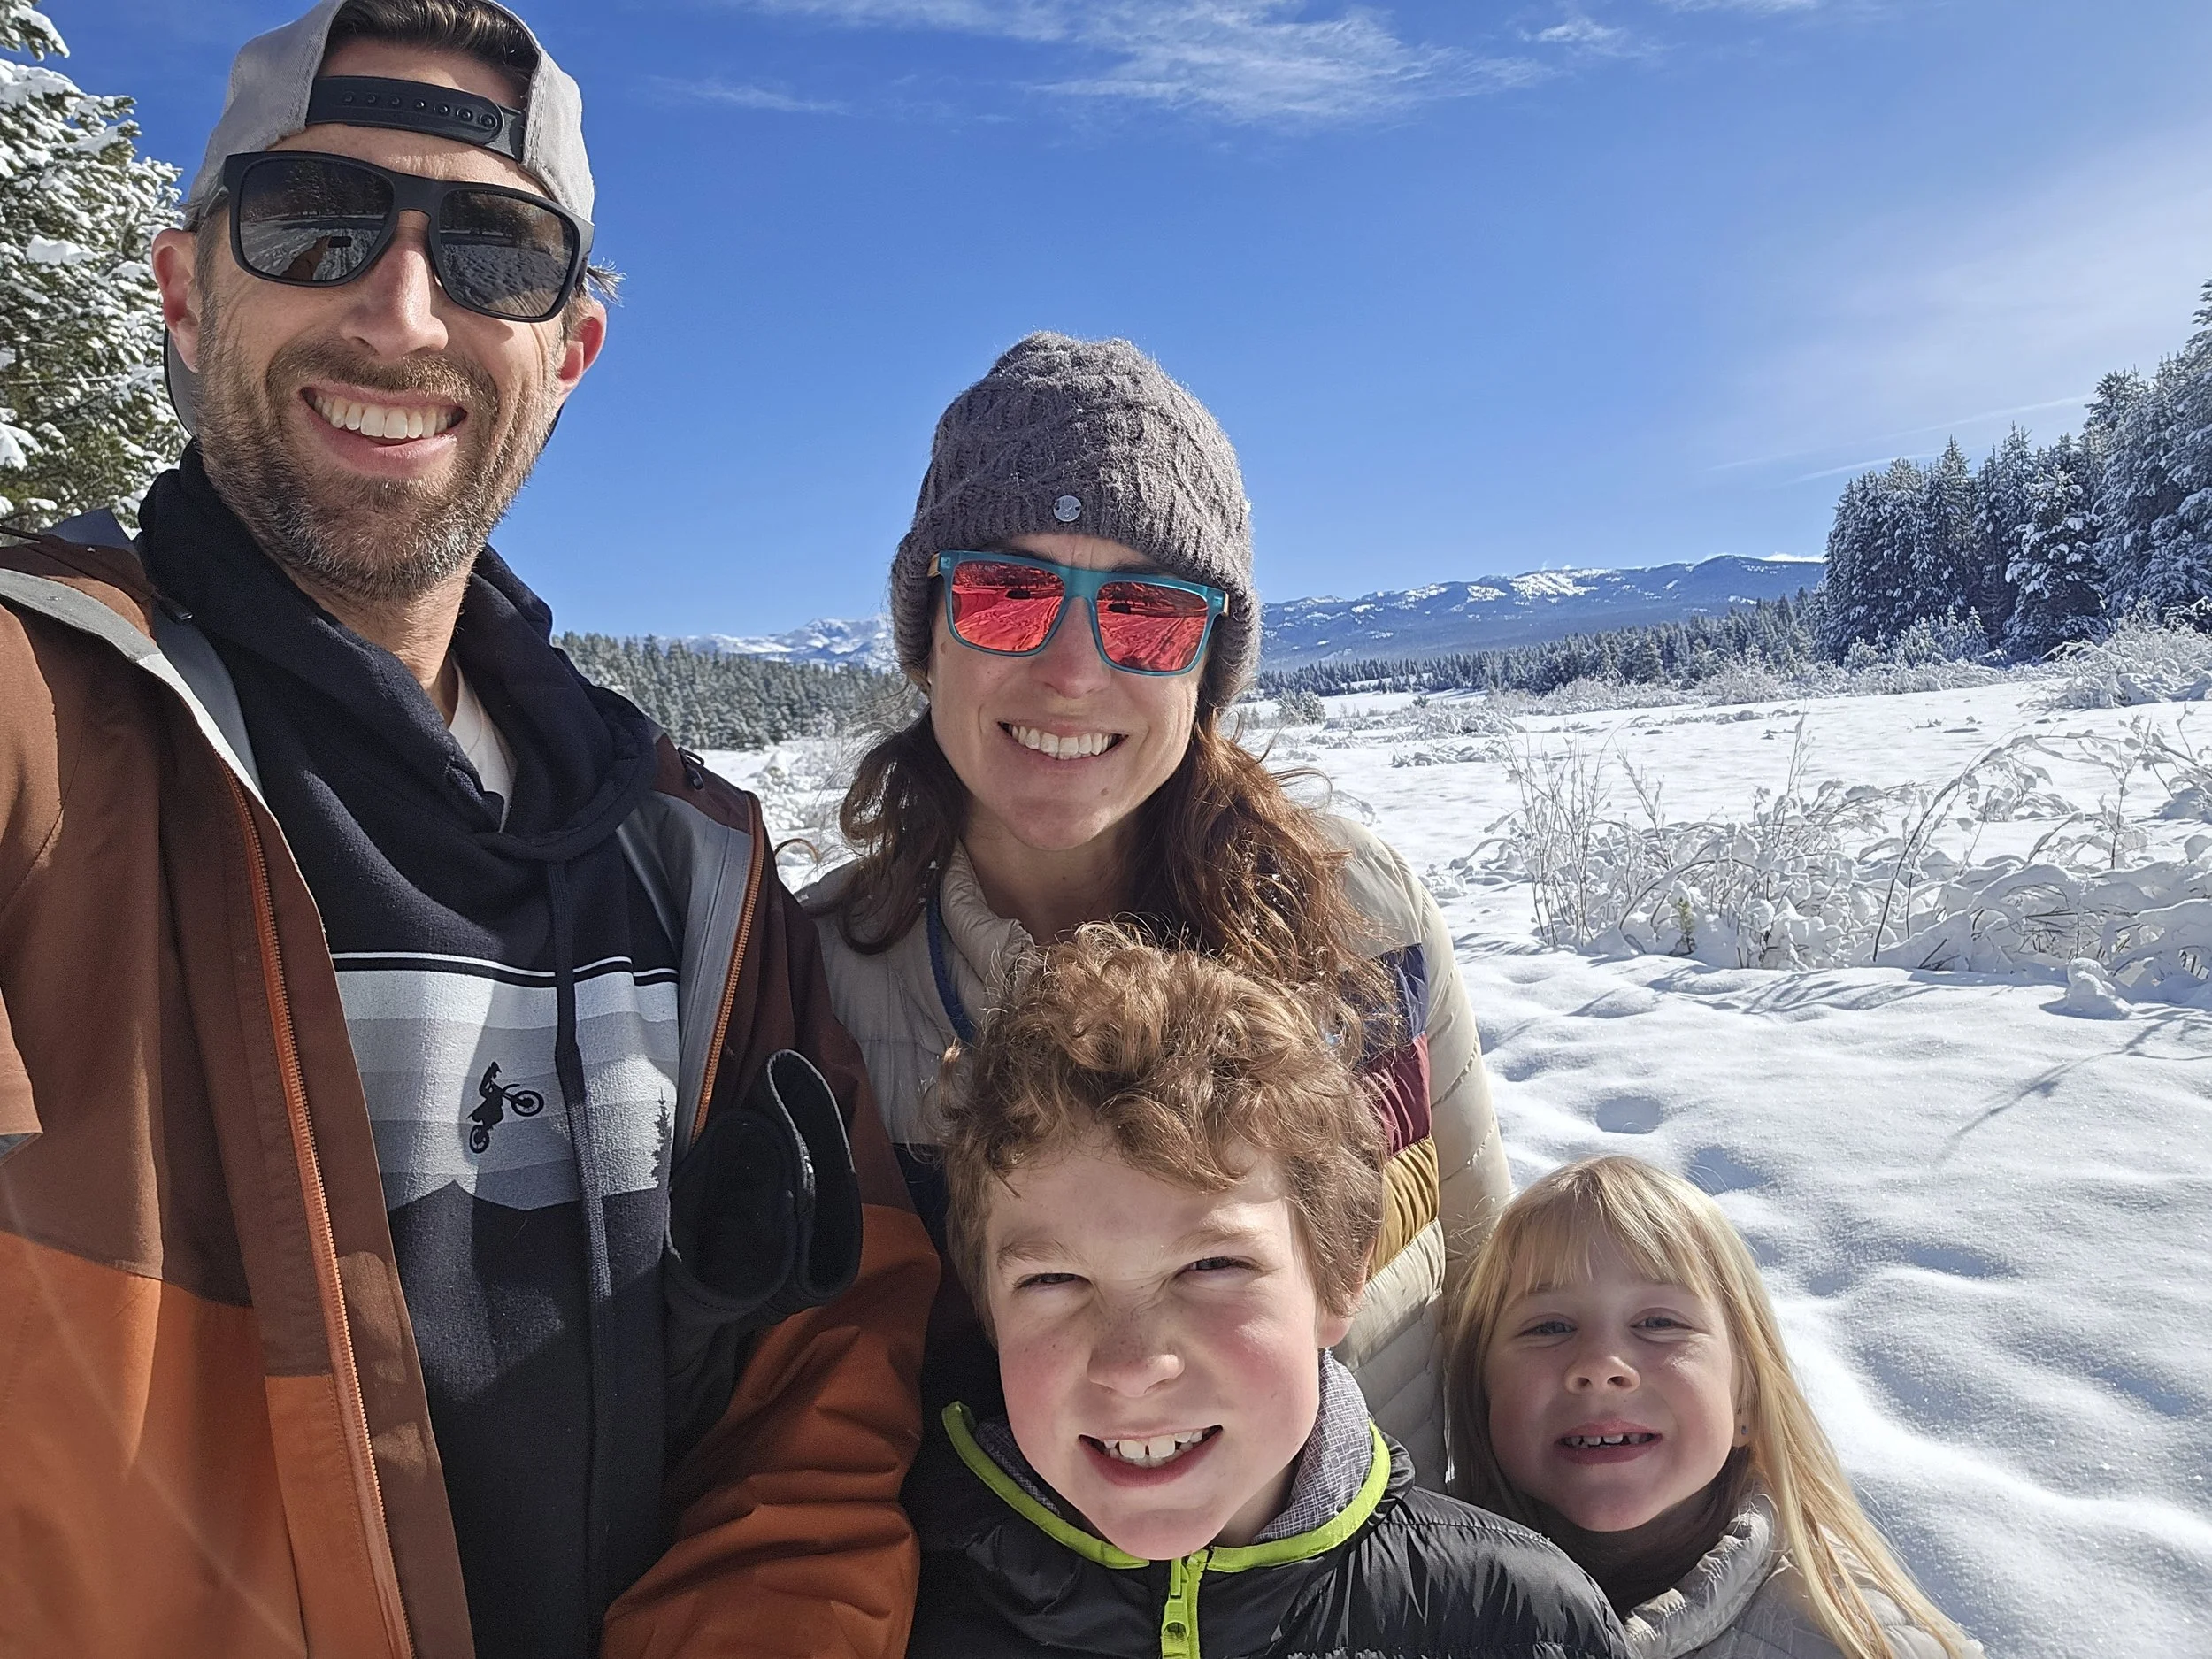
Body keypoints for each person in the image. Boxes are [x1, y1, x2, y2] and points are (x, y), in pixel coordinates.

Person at [0, 3, 934, 1656]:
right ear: (182, 288)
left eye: (495, 253)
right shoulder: (44, 731)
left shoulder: (691, 869)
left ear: (566, 355)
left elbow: (824, 1381)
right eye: (316, 220)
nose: (402, 309)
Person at [805, 331, 1511, 1479]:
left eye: (1145, 611)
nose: (1074, 671)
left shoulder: (1365, 919)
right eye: (1007, 591)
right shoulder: (815, 983)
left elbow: (1488, 1295)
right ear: (929, 634)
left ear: (1207, 666)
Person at [905, 926, 1631, 1657]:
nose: (1133, 1363)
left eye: (1210, 1266)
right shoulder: (901, 1600)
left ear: (1338, 1277)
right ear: (990, 1309)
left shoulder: (1515, 1620)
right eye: (1054, 1278)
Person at [1444, 1156, 1984, 1659]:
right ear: (1482, 1388)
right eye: (1550, 1327)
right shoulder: (1425, 1594)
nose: (1601, 1364)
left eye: (1659, 1323)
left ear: (1745, 1398)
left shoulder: (1849, 1637)